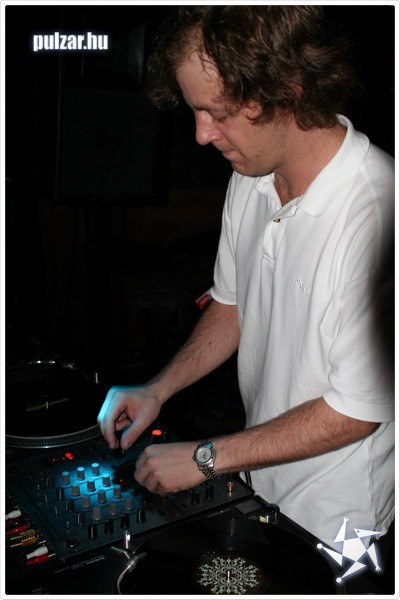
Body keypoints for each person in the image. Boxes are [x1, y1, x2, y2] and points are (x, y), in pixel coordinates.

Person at [97, 6, 394, 548]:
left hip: (343, 525)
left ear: (289, 90)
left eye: (218, 112)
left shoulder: (378, 213)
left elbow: (357, 411)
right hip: (261, 485)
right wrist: (158, 388)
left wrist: (206, 458)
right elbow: (233, 306)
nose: (201, 134)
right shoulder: (252, 177)